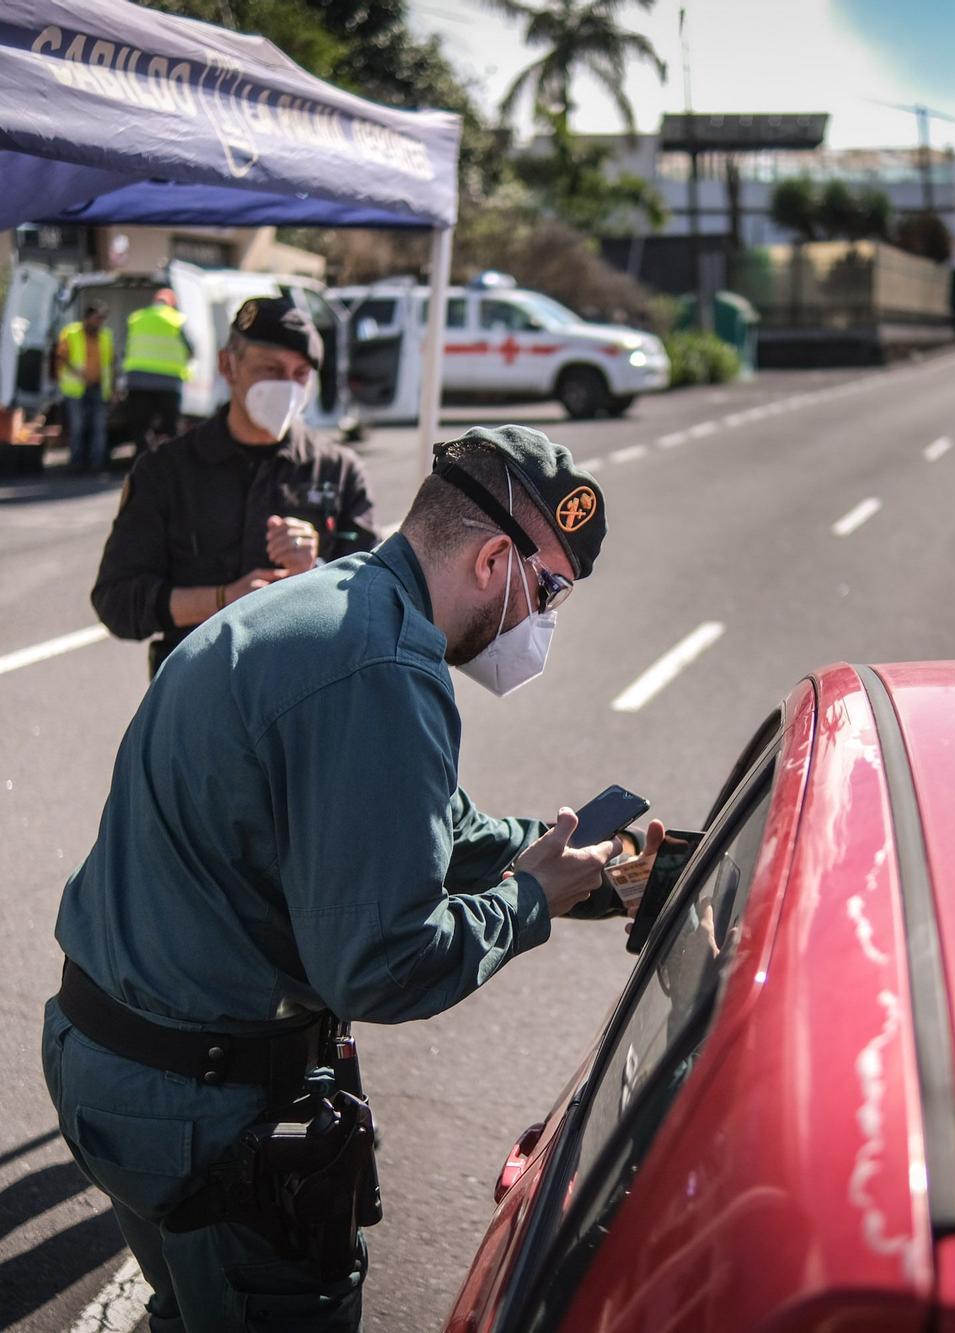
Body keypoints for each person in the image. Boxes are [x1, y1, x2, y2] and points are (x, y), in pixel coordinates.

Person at [45, 424, 666, 1330]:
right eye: (552, 591)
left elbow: (440, 833)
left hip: (107, 1056)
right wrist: (528, 901)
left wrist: (600, 870)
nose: (545, 623)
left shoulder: (339, 602)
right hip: (196, 1104)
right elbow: (382, 963)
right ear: (496, 559)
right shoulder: (384, 672)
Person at [91, 298, 378, 678]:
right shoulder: (166, 472)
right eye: (271, 370)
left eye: (300, 374)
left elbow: (376, 602)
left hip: (304, 696)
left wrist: (315, 572)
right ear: (228, 365)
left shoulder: (337, 469)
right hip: (195, 699)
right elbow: (117, 601)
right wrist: (222, 600)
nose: (287, 388)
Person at [122, 288, 194, 450]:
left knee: (140, 425)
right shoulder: (177, 320)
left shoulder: (136, 318)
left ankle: (141, 458)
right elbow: (191, 350)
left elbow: (126, 348)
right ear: (172, 304)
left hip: (138, 380)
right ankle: (169, 463)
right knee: (170, 427)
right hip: (168, 382)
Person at [56, 303, 115, 473]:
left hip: (98, 387)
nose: (99, 322)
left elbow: (111, 362)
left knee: (99, 426)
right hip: (76, 389)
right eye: (97, 318)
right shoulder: (71, 333)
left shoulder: (105, 335)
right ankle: (76, 462)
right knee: (78, 426)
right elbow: (61, 356)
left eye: (102, 319)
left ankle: (96, 463)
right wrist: (76, 372)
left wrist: (113, 388)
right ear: (87, 318)